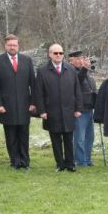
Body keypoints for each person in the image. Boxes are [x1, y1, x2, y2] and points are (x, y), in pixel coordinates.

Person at [0, 34, 36, 170]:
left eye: (15, 45)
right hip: (6, 106)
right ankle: (15, 161)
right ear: (5, 46)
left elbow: (33, 83)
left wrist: (34, 102)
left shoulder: (27, 60)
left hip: (24, 105)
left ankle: (25, 162)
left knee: (24, 134)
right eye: (10, 45)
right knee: (11, 135)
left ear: (18, 46)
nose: (12, 47)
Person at [34, 43, 82, 171]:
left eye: (61, 53)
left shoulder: (71, 70)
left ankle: (70, 164)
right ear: (50, 54)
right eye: (56, 53)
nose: (59, 55)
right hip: (52, 111)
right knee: (55, 139)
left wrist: (78, 108)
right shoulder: (43, 71)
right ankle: (60, 164)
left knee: (68, 138)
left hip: (68, 111)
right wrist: (42, 111)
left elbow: (77, 91)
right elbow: (39, 93)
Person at [69, 50, 97, 167]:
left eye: (82, 58)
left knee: (89, 137)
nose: (82, 61)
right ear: (72, 61)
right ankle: (80, 161)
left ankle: (87, 159)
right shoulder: (71, 72)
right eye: (79, 58)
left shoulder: (85, 73)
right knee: (79, 138)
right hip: (80, 111)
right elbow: (77, 81)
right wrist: (85, 69)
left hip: (89, 109)